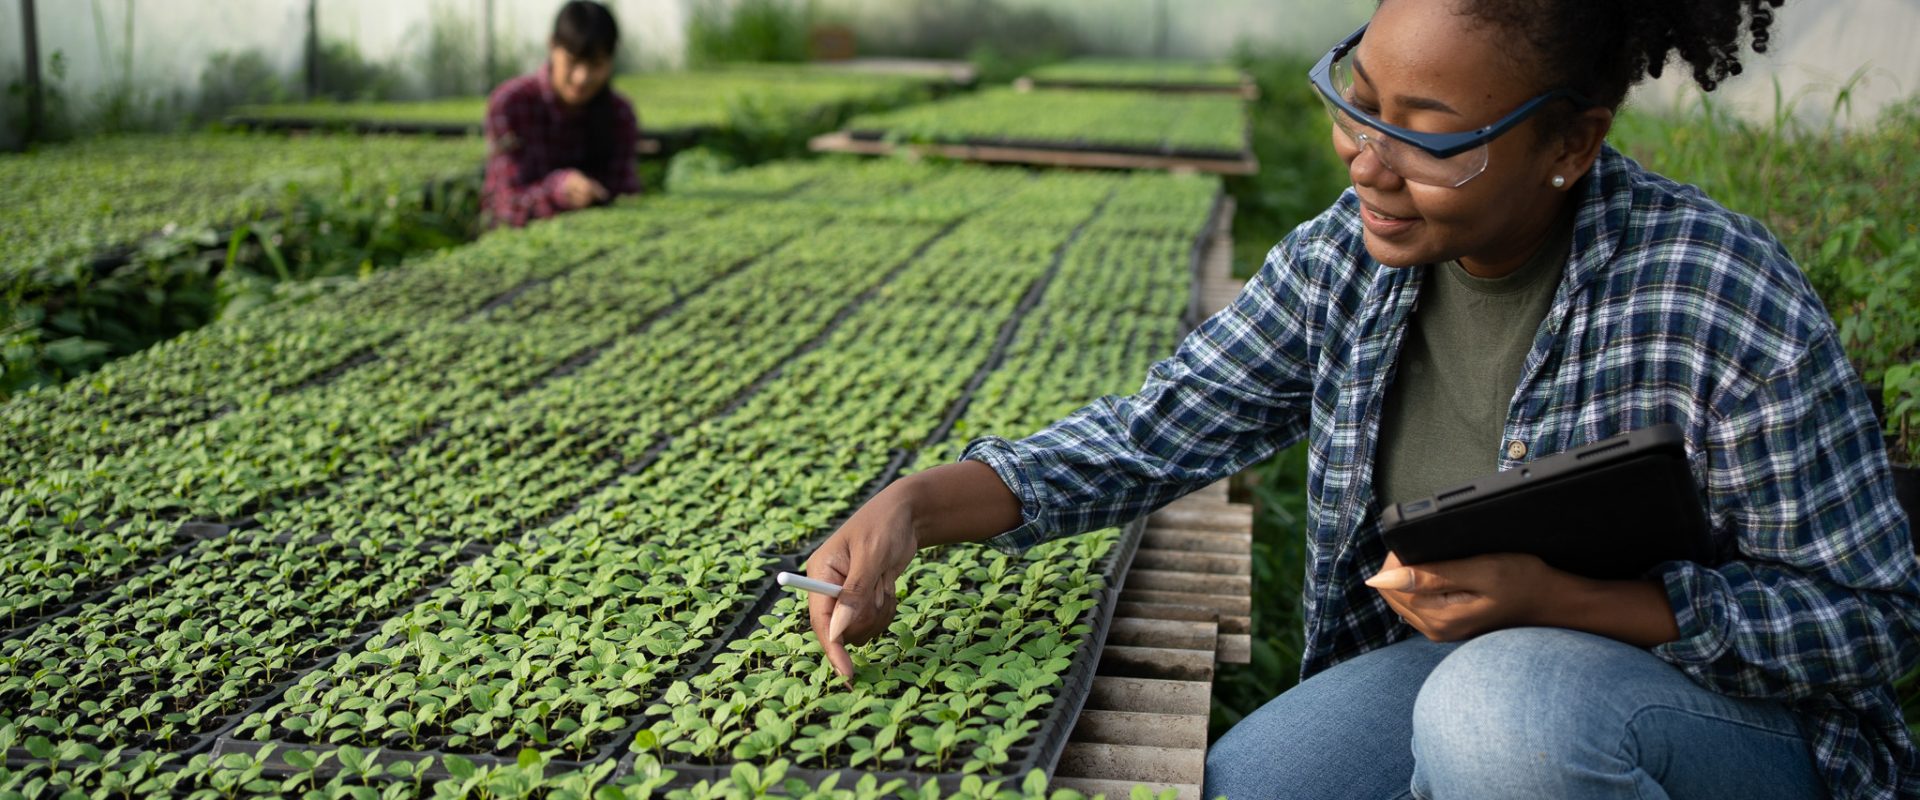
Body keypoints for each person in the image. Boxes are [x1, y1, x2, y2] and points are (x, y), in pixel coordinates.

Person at [803, 0, 1920, 798]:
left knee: (1500, 720)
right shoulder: (1349, 257)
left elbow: (1873, 616)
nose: (1368, 163)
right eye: (1362, 100)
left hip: (1728, 724)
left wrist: (1564, 600)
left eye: (1430, 133)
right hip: (1445, 674)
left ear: (1570, 143)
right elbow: (1155, 430)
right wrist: (917, 505)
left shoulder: (1718, 296)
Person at [482, 0, 640, 227]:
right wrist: (558, 190)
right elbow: (505, 204)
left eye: (596, 65)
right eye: (573, 62)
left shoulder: (619, 115)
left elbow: (627, 195)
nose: (582, 78)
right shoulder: (511, 104)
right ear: (551, 45)